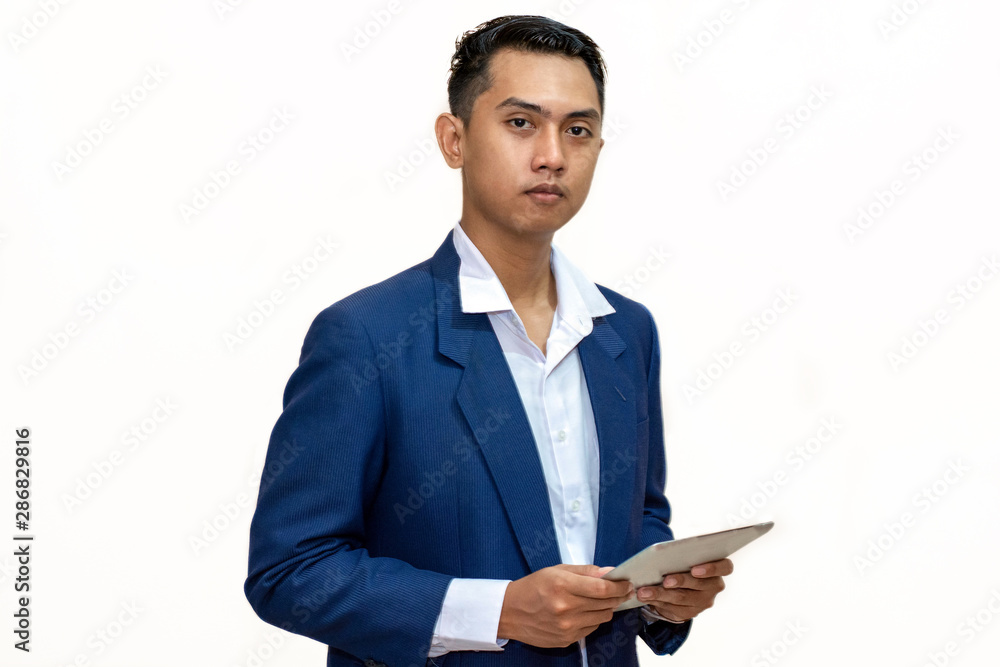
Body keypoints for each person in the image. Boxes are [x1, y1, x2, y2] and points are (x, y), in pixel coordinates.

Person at [244, 14, 732, 667]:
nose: (552, 154)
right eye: (521, 122)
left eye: (578, 130)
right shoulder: (366, 336)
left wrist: (662, 593)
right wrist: (498, 609)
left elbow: (640, 514)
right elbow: (290, 570)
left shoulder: (624, 330)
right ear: (455, 139)